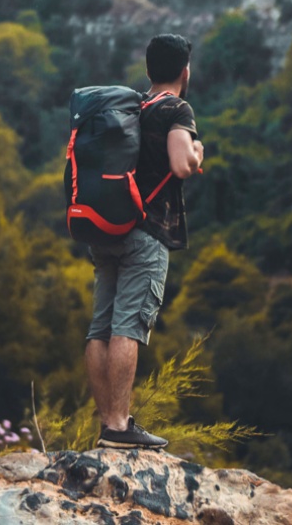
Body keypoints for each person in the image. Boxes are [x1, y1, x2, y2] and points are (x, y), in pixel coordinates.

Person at [85, 33, 204, 449]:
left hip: (105, 228)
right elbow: (181, 163)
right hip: (146, 232)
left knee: (100, 327)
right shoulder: (177, 108)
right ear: (184, 72)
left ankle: (108, 423)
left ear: (149, 69)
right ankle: (118, 427)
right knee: (128, 327)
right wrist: (197, 152)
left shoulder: (129, 105)